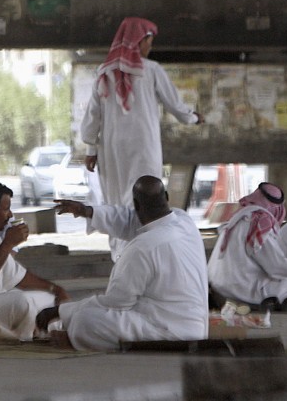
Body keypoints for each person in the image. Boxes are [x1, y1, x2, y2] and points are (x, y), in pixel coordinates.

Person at [80, 17, 204, 260]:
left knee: (116, 201)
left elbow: (92, 115)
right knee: (146, 198)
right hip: (144, 146)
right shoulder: (152, 70)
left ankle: (120, 255)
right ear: (140, 40)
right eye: (149, 40)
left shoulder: (105, 72)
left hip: (112, 149)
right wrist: (193, 118)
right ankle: (145, 254)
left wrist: (91, 149)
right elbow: (175, 105)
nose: (150, 46)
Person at [42, 176, 208, 351]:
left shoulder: (142, 247)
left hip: (168, 332)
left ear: (136, 205)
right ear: (166, 197)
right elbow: (130, 220)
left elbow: (116, 302)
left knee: (85, 320)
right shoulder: (184, 221)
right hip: (196, 329)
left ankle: (74, 340)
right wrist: (87, 211)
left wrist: (61, 311)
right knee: (91, 312)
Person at [0, 180, 69, 340]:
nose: (10, 215)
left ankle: (41, 334)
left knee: (50, 301)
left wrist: (55, 289)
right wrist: (8, 244)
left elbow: (16, 275)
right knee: (23, 302)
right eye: (6, 209)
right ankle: (25, 339)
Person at [207, 183, 287, 314]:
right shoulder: (260, 222)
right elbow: (276, 268)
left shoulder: (240, 217)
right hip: (242, 289)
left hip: (220, 285)